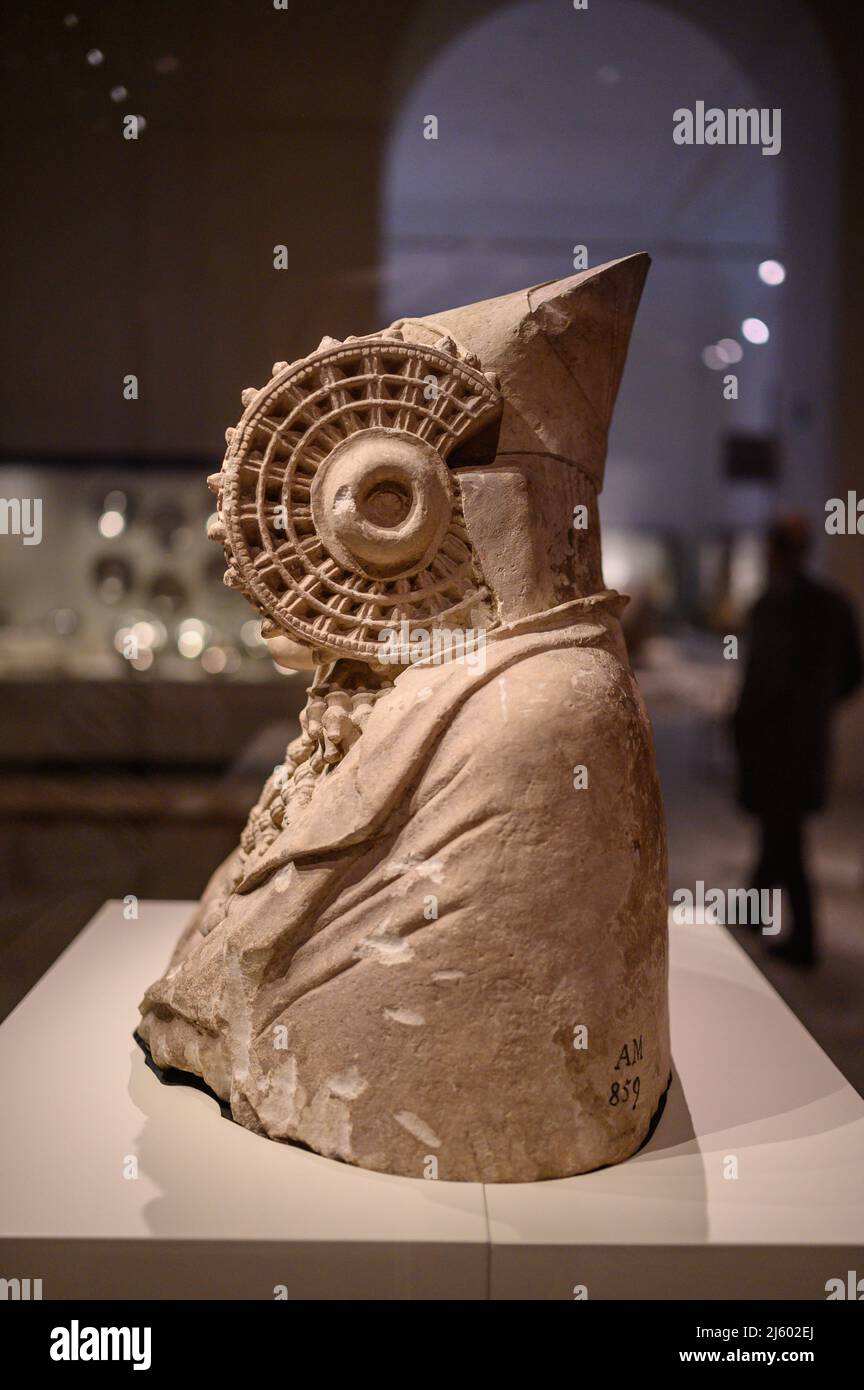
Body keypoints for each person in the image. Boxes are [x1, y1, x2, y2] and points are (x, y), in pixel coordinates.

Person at [733, 515, 862, 966]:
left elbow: (760, 682)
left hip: (775, 744)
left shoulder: (773, 606)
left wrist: (742, 726)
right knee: (778, 833)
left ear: (774, 551)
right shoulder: (834, 604)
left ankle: (805, 940)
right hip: (805, 741)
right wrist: (817, 710)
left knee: (786, 838)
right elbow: (851, 675)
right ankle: (753, 911)